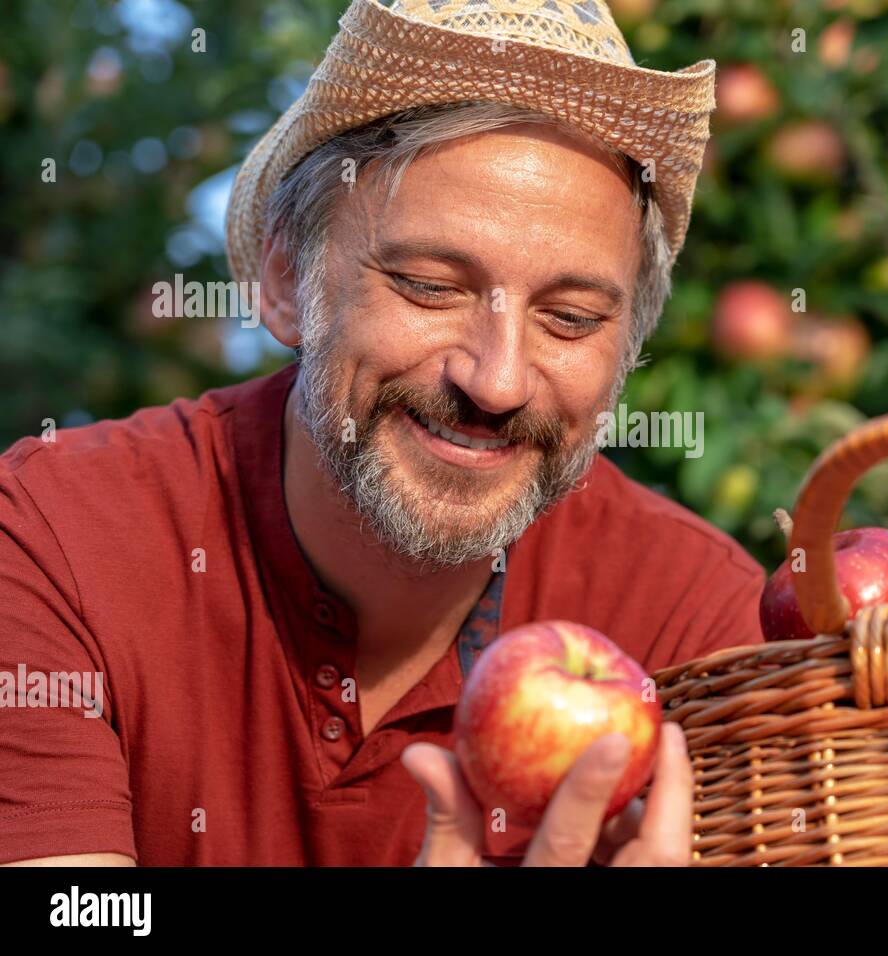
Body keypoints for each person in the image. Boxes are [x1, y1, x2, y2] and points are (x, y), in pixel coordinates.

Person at [0, 0, 764, 866]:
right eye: (430, 286)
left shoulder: (695, 624)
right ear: (288, 279)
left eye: (571, 317)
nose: (498, 380)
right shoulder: (58, 536)